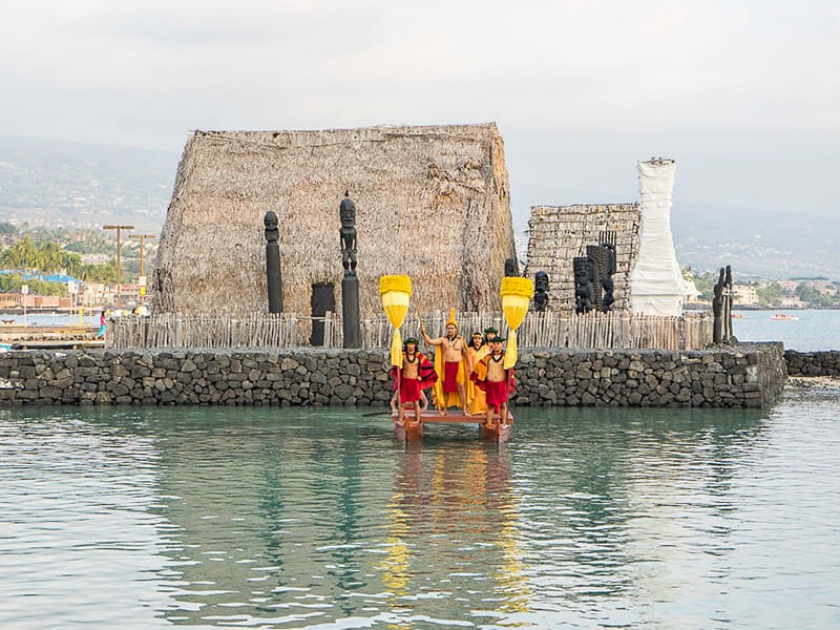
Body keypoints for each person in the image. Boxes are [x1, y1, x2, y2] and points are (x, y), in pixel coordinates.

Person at [421, 309, 473, 415]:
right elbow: (430, 341)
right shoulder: (443, 340)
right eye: (448, 328)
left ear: (455, 329)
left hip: (458, 365)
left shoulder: (461, 340)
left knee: (461, 387)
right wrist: (423, 333)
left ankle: (464, 410)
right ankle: (445, 410)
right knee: (446, 387)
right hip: (447, 365)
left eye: (452, 328)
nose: (450, 330)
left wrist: (471, 367)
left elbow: (467, 355)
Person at [388, 337, 437, 423]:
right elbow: (395, 365)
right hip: (405, 381)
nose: (411, 346)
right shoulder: (402, 355)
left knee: (416, 403)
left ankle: (417, 420)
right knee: (402, 403)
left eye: (412, 344)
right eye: (409, 344)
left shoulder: (419, 356)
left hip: (414, 381)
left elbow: (427, 368)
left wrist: (421, 377)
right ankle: (400, 420)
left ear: (415, 345)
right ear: (406, 345)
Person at [472, 336, 515, 426]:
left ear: (502, 345)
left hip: (501, 384)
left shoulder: (506, 357)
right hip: (491, 384)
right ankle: (489, 423)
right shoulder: (487, 357)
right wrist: (482, 374)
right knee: (490, 405)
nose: (495, 346)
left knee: (503, 404)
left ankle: (503, 423)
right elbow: (479, 366)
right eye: (494, 344)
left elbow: (511, 369)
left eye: (498, 344)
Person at [466, 332, 488, 415]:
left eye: (479, 338)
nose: (477, 340)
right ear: (473, 340)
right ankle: (473, 410)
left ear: (482, 340)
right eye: (475, 338)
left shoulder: (486, 349)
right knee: (474, 391)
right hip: (472, 373)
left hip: (483, 373)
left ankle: (483, 410)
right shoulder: (469, 350)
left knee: (483, 391)